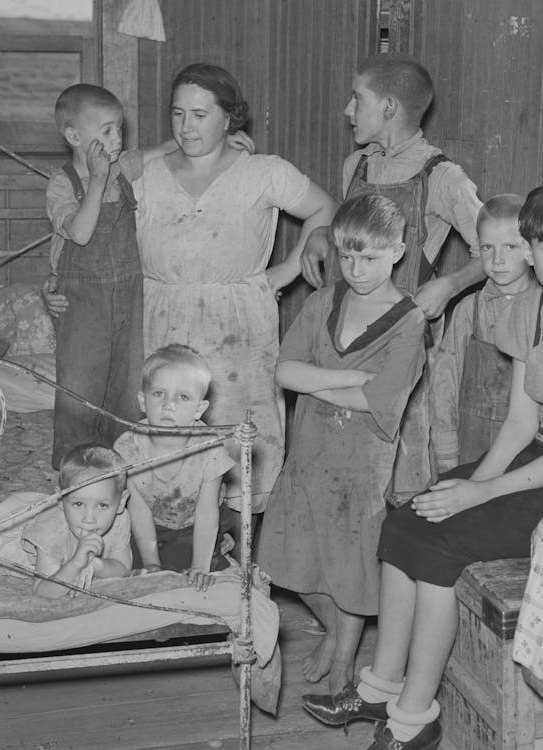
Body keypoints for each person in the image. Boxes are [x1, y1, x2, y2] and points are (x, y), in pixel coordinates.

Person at [302, 184, 543, 750]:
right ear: (530, 250)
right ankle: (381, 684)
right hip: (541, 454)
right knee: (405, 520)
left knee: (447, 542)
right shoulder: (529, 308)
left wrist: (482, 493)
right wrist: (471, 483)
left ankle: (414, 718)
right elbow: (521, 423)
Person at [133, 62, 338, 515]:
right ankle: (177, 542)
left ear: (229, 118)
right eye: (178, 113)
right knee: (171, 430)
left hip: (239, 328)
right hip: (164, 318)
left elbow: (324, 207)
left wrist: (287, 269)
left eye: (201, 115)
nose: (187, 127)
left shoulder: (262, 172)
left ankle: (244, 547)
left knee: (242, 436)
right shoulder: (147, 175)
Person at [257, 194, 426, 695]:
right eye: (346, 256)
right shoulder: (322, 301)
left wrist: (322, 379)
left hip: (361, 465)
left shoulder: (409, 320)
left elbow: (381, 400)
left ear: (397, 251)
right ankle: (334, 632)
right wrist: (349, 378)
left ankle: (343, 662)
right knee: (294, 557)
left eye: (370, 257)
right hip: (308, 454)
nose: (355, 269)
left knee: (351, 568)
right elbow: (283, 371)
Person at [300, 53, 485, 499]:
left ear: (387, 107)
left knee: (396, 471)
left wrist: (450, 284)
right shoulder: (355, 167)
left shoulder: (442, 176)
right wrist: (322, 234)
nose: (348, 110)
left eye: (356, 99)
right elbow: (356, 233)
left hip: (397, 345)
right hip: (341, 337)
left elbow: (498, 249)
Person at [42, 84, 255, 470]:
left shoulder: (123, 166)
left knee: (125, 387)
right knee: (79, 389)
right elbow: (80, 233)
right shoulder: (62, 184)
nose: (117, 140)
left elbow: (167, 148)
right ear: (74, 137)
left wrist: (224, 139)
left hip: (128, 300)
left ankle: (118, 467)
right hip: (84, 309)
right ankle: (73, 472)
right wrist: (96, 180)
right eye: (106, 131)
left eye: (119, 129)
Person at [428, 194, 536, 472]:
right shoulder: (469, 311)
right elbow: (444, 382)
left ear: (530, 249)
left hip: (529, 451)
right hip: (469, 447)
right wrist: (446, 451)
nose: (498, 259)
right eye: (487, 247)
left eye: (510, 246)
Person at [113, 344, 235, 592]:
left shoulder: (209, 448)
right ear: (142, 401)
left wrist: (200, 566)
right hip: (148, 524)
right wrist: (151, 563)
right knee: (130, 569)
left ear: (199, 409)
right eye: (159, 394)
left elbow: (206, 512)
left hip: (195, 524)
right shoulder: (129, 447)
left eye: (183, 397)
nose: (169, 405)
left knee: (195, 576)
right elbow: (138, 510)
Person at [28, 444, 133, 598]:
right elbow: (41, 592)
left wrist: (96, 565)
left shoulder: (119, 520)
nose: (89, 519)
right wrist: (76, 564)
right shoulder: (50, 533)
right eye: (78, 504)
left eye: (102, 505)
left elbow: (123, 569)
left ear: (121, 503)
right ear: (60, 499)